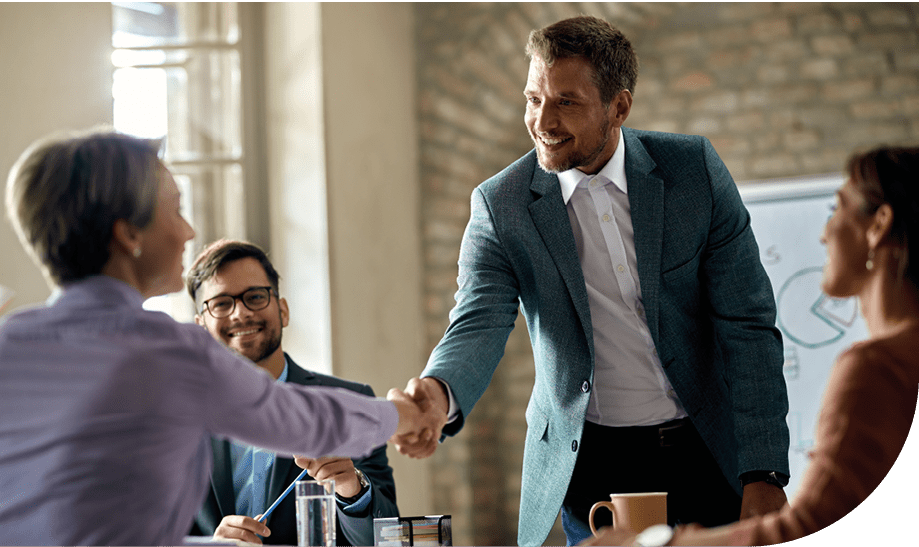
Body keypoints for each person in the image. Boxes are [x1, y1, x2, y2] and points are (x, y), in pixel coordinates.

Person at [389, 16, 790, 547]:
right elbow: (478, 320)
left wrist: (763, 472)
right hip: (591, 464)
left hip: (705, 451)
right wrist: (438, 395)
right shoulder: (501, 204)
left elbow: (748, 324)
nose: (542, 120)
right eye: (533, 98)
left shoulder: (693, 170)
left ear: (619, 107)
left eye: (566, 102)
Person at [0, 129, 428, 546]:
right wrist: (407, 415)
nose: (187, 231)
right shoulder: (168, 351)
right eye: (176, 209)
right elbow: (308, 421)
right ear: (129, 234)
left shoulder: (8, 346)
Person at [583, 146, 919, 547]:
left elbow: (806, 529)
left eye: (838, 209)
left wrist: (649, 544)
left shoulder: (877, 369)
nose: (824, 232)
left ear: (879, 225)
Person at [185, 239, 399, 546]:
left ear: (283, 311)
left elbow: (385, 539)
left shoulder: (352, 402)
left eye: (255, 297)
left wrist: (352, 488)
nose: (240, 314)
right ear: (201, 328)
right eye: (221, 303)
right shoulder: (175, 420)